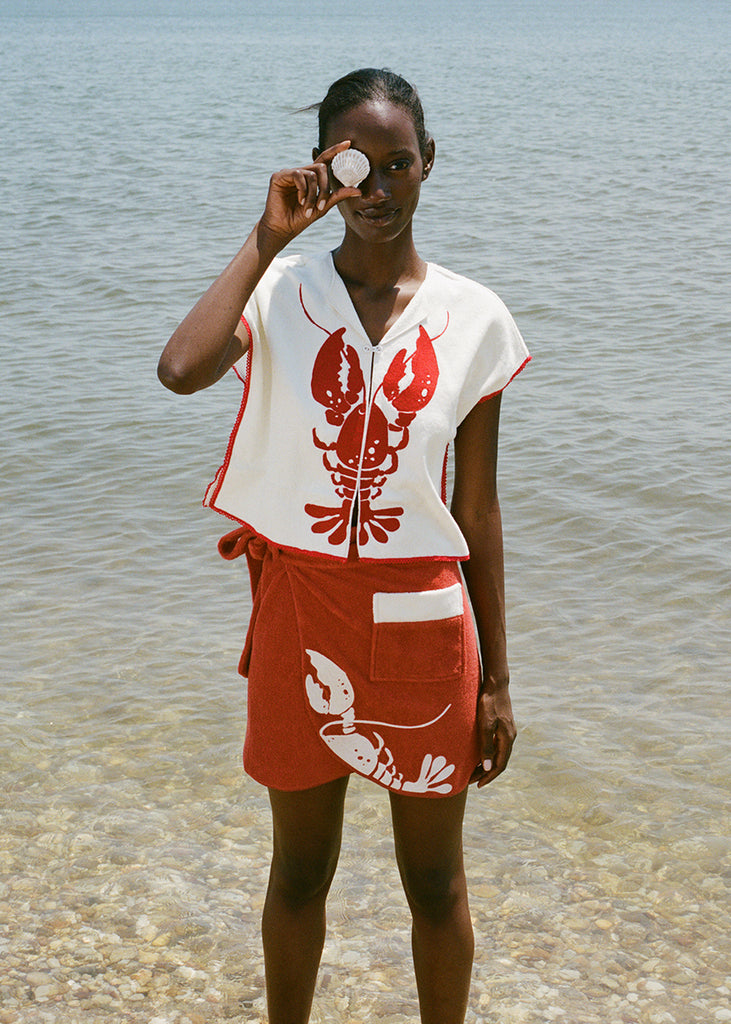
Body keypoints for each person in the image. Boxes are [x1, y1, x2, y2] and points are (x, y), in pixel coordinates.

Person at [158, 68, 529, 1024]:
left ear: (427, 165)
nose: (378, 189)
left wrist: (494, 678)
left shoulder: (474, 315)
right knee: (298, 875)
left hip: (424, 620)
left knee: (437, 884)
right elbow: (181, 369)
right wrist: (267, 235)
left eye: (397, 163)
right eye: (355, 165)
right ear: (327, 169)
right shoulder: (281, 288)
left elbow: (476, 511)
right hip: (302, 604)